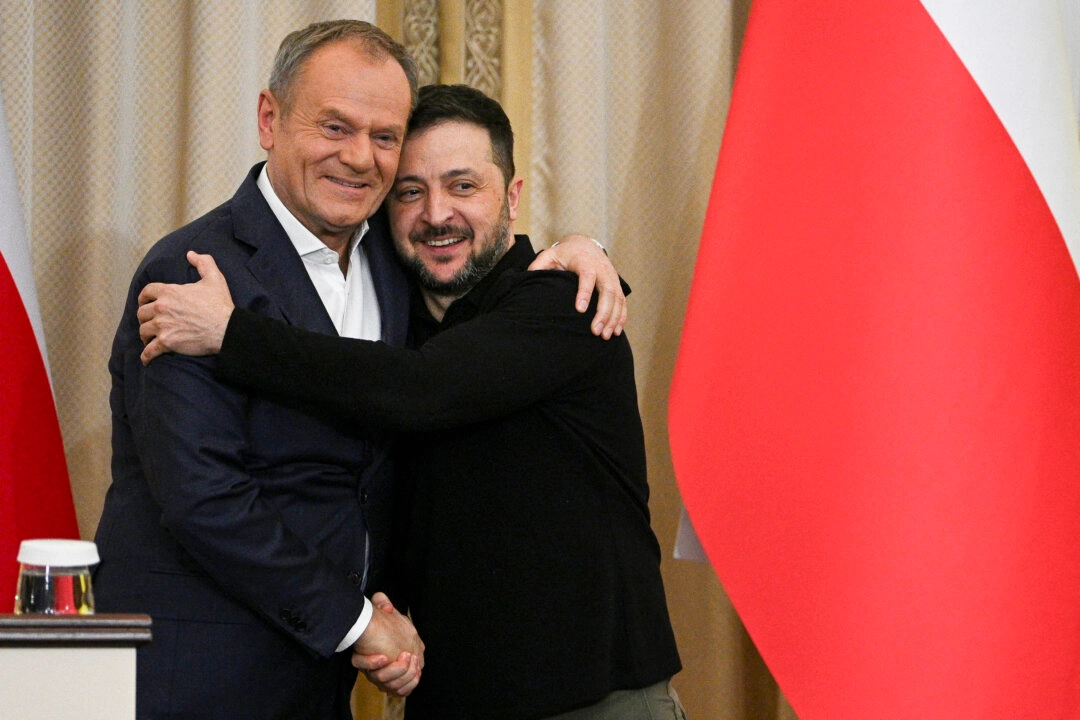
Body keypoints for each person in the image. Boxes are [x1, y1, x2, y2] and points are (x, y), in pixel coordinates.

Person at [94, 20, 624, 720]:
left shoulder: (393, 264)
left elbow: (431, 378)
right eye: (335, 126)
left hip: (322, 686)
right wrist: (357, 622)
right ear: (269, 118)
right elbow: (203, 497)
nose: (359, 158)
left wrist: (579, 248)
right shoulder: (192, 273)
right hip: (196, 680)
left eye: (383, 137)